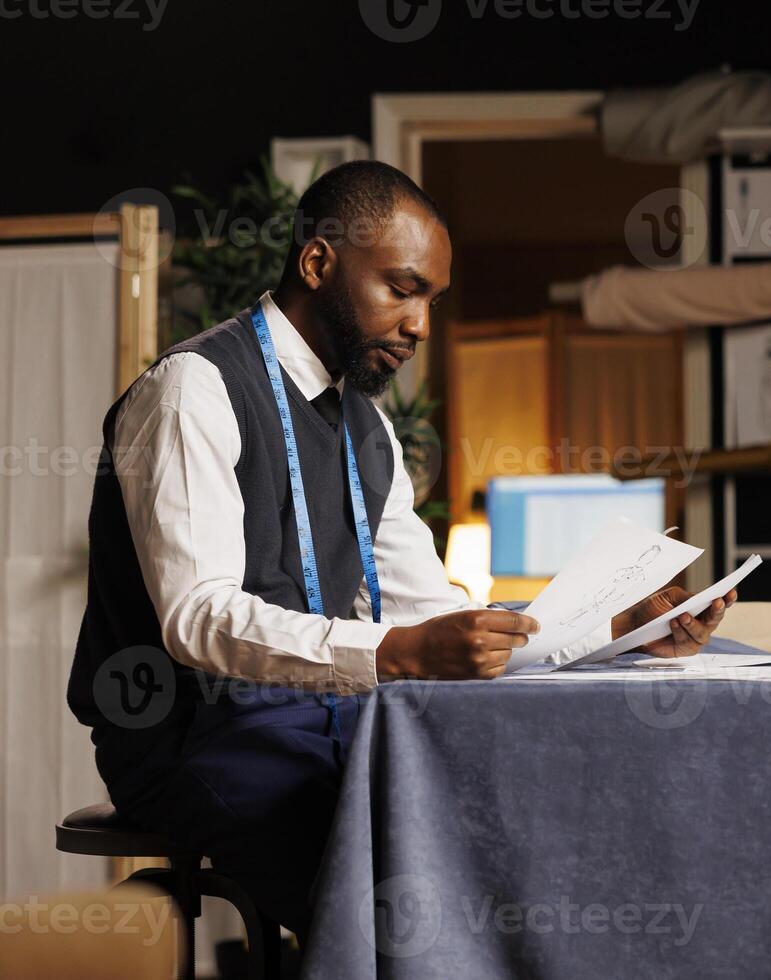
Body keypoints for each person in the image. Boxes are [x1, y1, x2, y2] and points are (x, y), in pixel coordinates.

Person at [67, 160, 736, 938]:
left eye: (432, 300)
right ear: (318, 263)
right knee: (406, 895)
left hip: (321, 721)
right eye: (402, 288)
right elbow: (199, 620)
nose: (421, 324)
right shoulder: (195, 388)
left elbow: (434, 617)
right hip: (193, 741)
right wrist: (403, 654)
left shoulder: (366, 429)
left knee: (515, 828)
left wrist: (625, 631)